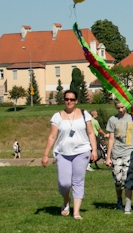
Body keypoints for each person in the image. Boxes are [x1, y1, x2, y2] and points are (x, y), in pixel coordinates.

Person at [41, 90, 97, 220]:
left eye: (72, 99)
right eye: (67, 99)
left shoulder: (84, 114)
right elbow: (52, 136)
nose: (69, 101)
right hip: (63, 153)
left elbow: (91, 133)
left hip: (82, 151)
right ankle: (66, 201)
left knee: (78, 181)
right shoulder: (57, 116)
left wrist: (94, 150)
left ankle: (76, 212)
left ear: (76, 101)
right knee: (64, 183)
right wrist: (45, 155)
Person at [105, 102, 133, 214]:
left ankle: (128, 206)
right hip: (116, 152)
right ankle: (119, 202)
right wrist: (108, 157)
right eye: (118, 108)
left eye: (122, 107)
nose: (120, 110)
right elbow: (111, 139)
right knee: (118, 180)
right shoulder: (112, 120)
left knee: (128, 178)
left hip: (129, 152)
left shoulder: (132, 119)